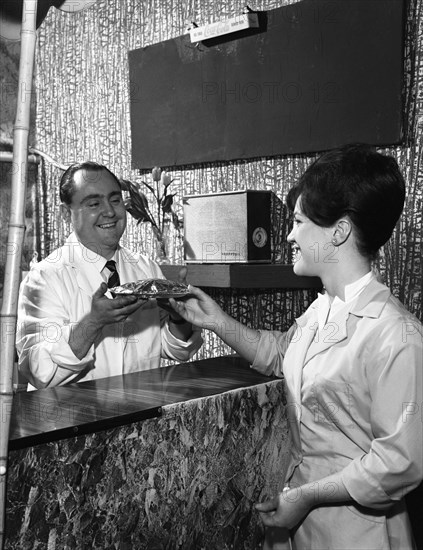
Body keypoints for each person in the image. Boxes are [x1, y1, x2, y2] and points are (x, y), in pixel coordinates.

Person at [168, 144, 423, 549]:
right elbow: (281, 354)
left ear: (338, 231)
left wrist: (305, 496)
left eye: (299, 221)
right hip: (302, 523)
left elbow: (399, 463)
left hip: (359, 532)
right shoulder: (323, 309)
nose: (289, 234)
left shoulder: (395, 334)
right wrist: (216, 321)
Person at [16, 161, 202, 389]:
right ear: (66, 214)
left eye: (115, 200)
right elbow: (37, 371)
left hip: (140, 412)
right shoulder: (44, 278)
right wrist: (92, 322)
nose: (110, 212)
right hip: (74, 419)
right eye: (94, 203)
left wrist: (179, 315)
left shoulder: (146, 268)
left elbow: (175, 350)